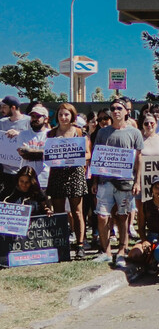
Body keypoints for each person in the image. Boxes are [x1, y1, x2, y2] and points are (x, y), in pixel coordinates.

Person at [92, 100, 143, 266]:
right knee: (102, 216)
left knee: (123, 217)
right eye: (112, 109)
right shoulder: (102, 132)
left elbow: (139, 159)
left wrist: (138, 182)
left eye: (119, 108)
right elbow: (97, 157)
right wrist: (94, 180)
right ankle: (106, 251)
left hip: (126, 182)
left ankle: (122, 251)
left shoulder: (135, 133)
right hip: (105, 181)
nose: (115, 111)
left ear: (126, 112)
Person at [45, 103, 90, 257]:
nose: (63, 118)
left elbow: (88, 154)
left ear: (72, 115)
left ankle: (80, 245)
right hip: (57, 174)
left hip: (75, 174)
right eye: (60, 115)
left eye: (66, 114)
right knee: (58, 212)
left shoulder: (79, 132)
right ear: (57, 116)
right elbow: (46, 154)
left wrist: (75, 157)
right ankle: (61, 244)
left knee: (77, 212)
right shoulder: (50, 134)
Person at [0, 95, 29, 192]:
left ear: (13, 108)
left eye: (4, 107)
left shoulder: (28, 121)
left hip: (24, 170)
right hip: (5, 170)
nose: (1, 110)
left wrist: (19, 134)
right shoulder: (2, 122)